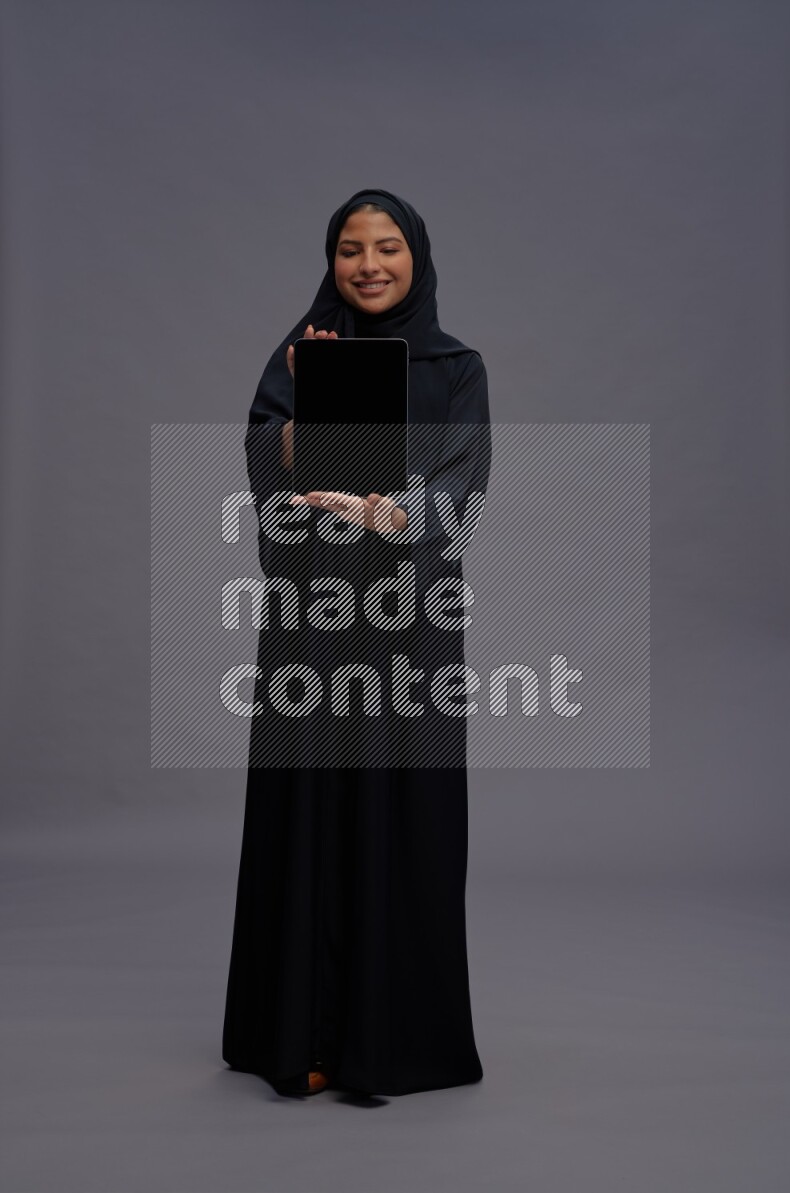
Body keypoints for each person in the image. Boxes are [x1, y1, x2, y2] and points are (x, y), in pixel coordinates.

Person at [222, 187, 492, 1097]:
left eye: (386, 247)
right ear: (330, 258)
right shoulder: (297, 355)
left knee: (398, 807)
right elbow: (266, 466)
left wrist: (386, 511)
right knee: (307, 808)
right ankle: (296, 1036)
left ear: (417, 256)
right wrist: (305, 411)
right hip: (314, 616)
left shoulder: (456, 367)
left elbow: (463, 487)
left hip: (410, 625)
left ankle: (384, 1043)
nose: (367, 264)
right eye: (349, 248)